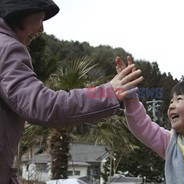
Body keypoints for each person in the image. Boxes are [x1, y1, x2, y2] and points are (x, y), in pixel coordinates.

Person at [0, 0, 143, 183]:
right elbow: (43, 104)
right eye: (41, 17)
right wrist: (108, 92)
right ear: (21, 10)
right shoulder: (7, 48)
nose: (42, 29)